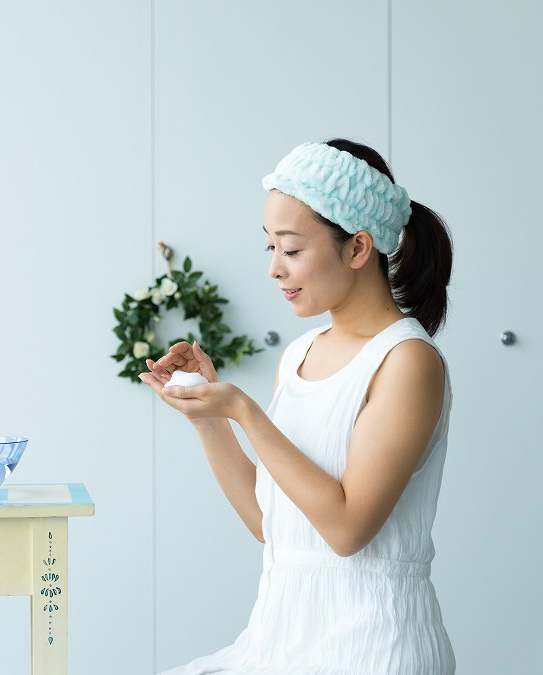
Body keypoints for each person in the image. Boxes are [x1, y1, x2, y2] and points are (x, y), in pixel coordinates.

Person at [140, 138, 456, 675]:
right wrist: (211, 419)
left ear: (357, 249)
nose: (274, 269)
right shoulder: (300, 354)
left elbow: (347, 530)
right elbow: (273, 526)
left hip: (372, 647)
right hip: (281, 640)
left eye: (290, 250)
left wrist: (244, 410)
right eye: (269, 248)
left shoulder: (407, 362)